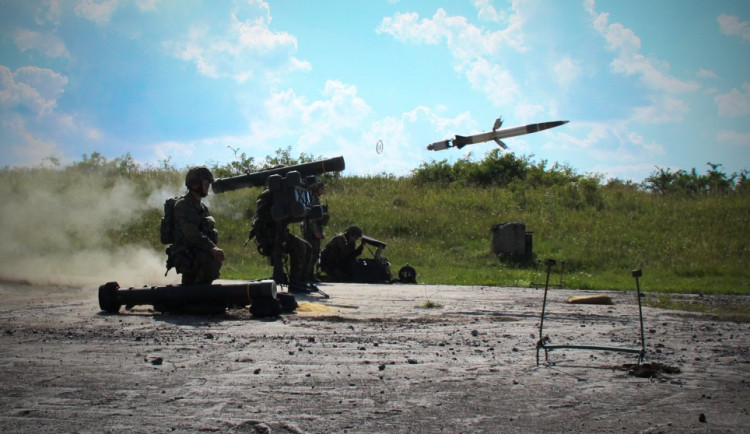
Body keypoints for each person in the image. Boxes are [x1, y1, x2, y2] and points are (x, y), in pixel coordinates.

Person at [250, 187, 314, 293]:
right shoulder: (268, 194)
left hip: (280, 231)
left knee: (308, 247)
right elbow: (262, 214)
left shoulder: (286, 192)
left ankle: (301, 280)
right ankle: (294, 282)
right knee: (299, 246)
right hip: (270, 234)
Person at [169, 166, 225, 285]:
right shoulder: (183, 205)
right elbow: (192, 234)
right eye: (205, 183)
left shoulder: (202, 207)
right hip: (186, 254)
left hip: (200, 251)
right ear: (194, 185)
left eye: (208, 183)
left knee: (212, 263)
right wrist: (212, 248)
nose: (208, 187)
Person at [300, 178, 328, 281]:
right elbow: (311, 218)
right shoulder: (312, 199)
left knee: (315, 253)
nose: (323, 190)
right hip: (310, 230)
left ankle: (310, 275)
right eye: (321, 188)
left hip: (313, 229)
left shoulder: (315, 198)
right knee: (311, 253)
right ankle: (307, 276)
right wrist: (316, 231)